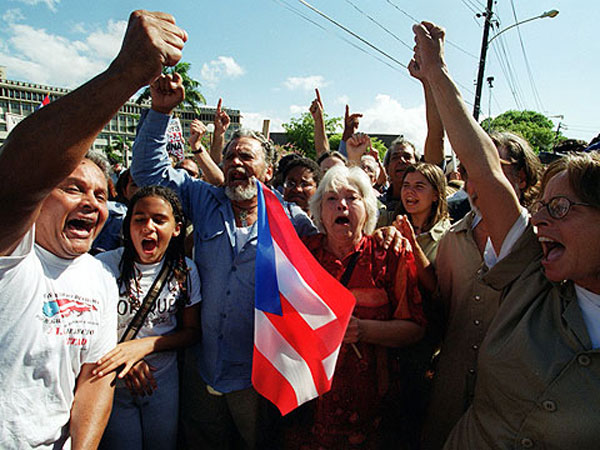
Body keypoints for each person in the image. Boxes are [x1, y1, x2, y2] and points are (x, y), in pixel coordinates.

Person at [0, 9, 187, 448]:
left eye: (101, 196)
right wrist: (125, 75)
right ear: (42, 195)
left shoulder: (99, 277)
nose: (90, 202)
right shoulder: (11, 254)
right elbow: (17, 175)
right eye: (73, 188)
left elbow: (94, 380)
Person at [413, 20, 600, 449]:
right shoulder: (532, 271)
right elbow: (484, 170)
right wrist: (436, 73)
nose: (540, 221)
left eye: (560, 208)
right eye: (541, 209)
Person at [130, 73, 317, 449]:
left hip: (257, 376)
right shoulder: (204, 199)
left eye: (246, 156)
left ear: (267, 169)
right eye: (230, 155)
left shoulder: (291, 220)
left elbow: (331, 257)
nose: (235, 162)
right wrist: (161, 112)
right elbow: (148, 173)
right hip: (203, 369)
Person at [286, 165, 426, 449]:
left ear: (368, 209)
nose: (342, 205)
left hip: (374, 410)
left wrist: (362, 330)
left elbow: (415, 330)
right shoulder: (301, 255)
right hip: (310, 408)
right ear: (319, 212)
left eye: (352, 198)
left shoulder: (390, 253)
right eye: (331, 199)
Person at [94, 186, 201, 450]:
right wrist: (122, 357)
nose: (148, 227)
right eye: (139, 219)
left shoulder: (186, 270)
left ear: (176, 228)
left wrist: (144, 346)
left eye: (159, 220)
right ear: (128, 225)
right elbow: (89, 330)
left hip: (161, 383)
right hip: (112, 382)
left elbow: (191, 331)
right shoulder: (101, 266)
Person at [381, 136, 419, 211]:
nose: (401, 160)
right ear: (387, 168)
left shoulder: (426, 203)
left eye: (407, 157)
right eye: (395, 158)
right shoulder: (377, 205)